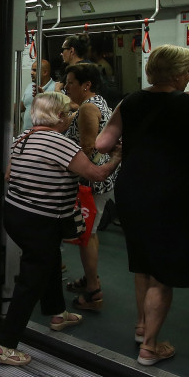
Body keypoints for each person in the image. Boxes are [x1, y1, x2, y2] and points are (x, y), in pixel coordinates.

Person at [96, 44, 189, 366]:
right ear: (178, 75)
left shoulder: (131, 101)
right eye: (188, 72)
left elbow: (102, 143)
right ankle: (149, 346)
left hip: (134, 190)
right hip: (172, 193)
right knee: (162, 274)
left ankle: (141, 326)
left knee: (143, 263)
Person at [0, 92, 118, 367]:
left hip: (15, 214)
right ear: (59, 117)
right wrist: (117, 157)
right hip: (41, 221)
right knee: (31, 278)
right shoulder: (62, 144)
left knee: (49, 258)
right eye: (69, 113)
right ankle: (4, 345)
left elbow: (9, 175)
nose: (71, 117)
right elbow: (95, 175)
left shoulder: (22, 138)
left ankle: (58, 312)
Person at [62, 63, 117, 311]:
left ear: (86, 85)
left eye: (71, 82)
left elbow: (87, 149)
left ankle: (93, 290)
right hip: (99, 181)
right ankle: (89, 277)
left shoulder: (87, 109)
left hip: (91, 183)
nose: (66, 86)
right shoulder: (98, 103)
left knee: (87, 236)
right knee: (89, 233)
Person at [19, 59, 54, 131]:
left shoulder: (55, 88)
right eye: (31, 70)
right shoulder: (30, 86)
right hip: (26, 135)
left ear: (45, 72)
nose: (31, 73)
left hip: (44, 136)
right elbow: (23, 106)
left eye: (35, 70)